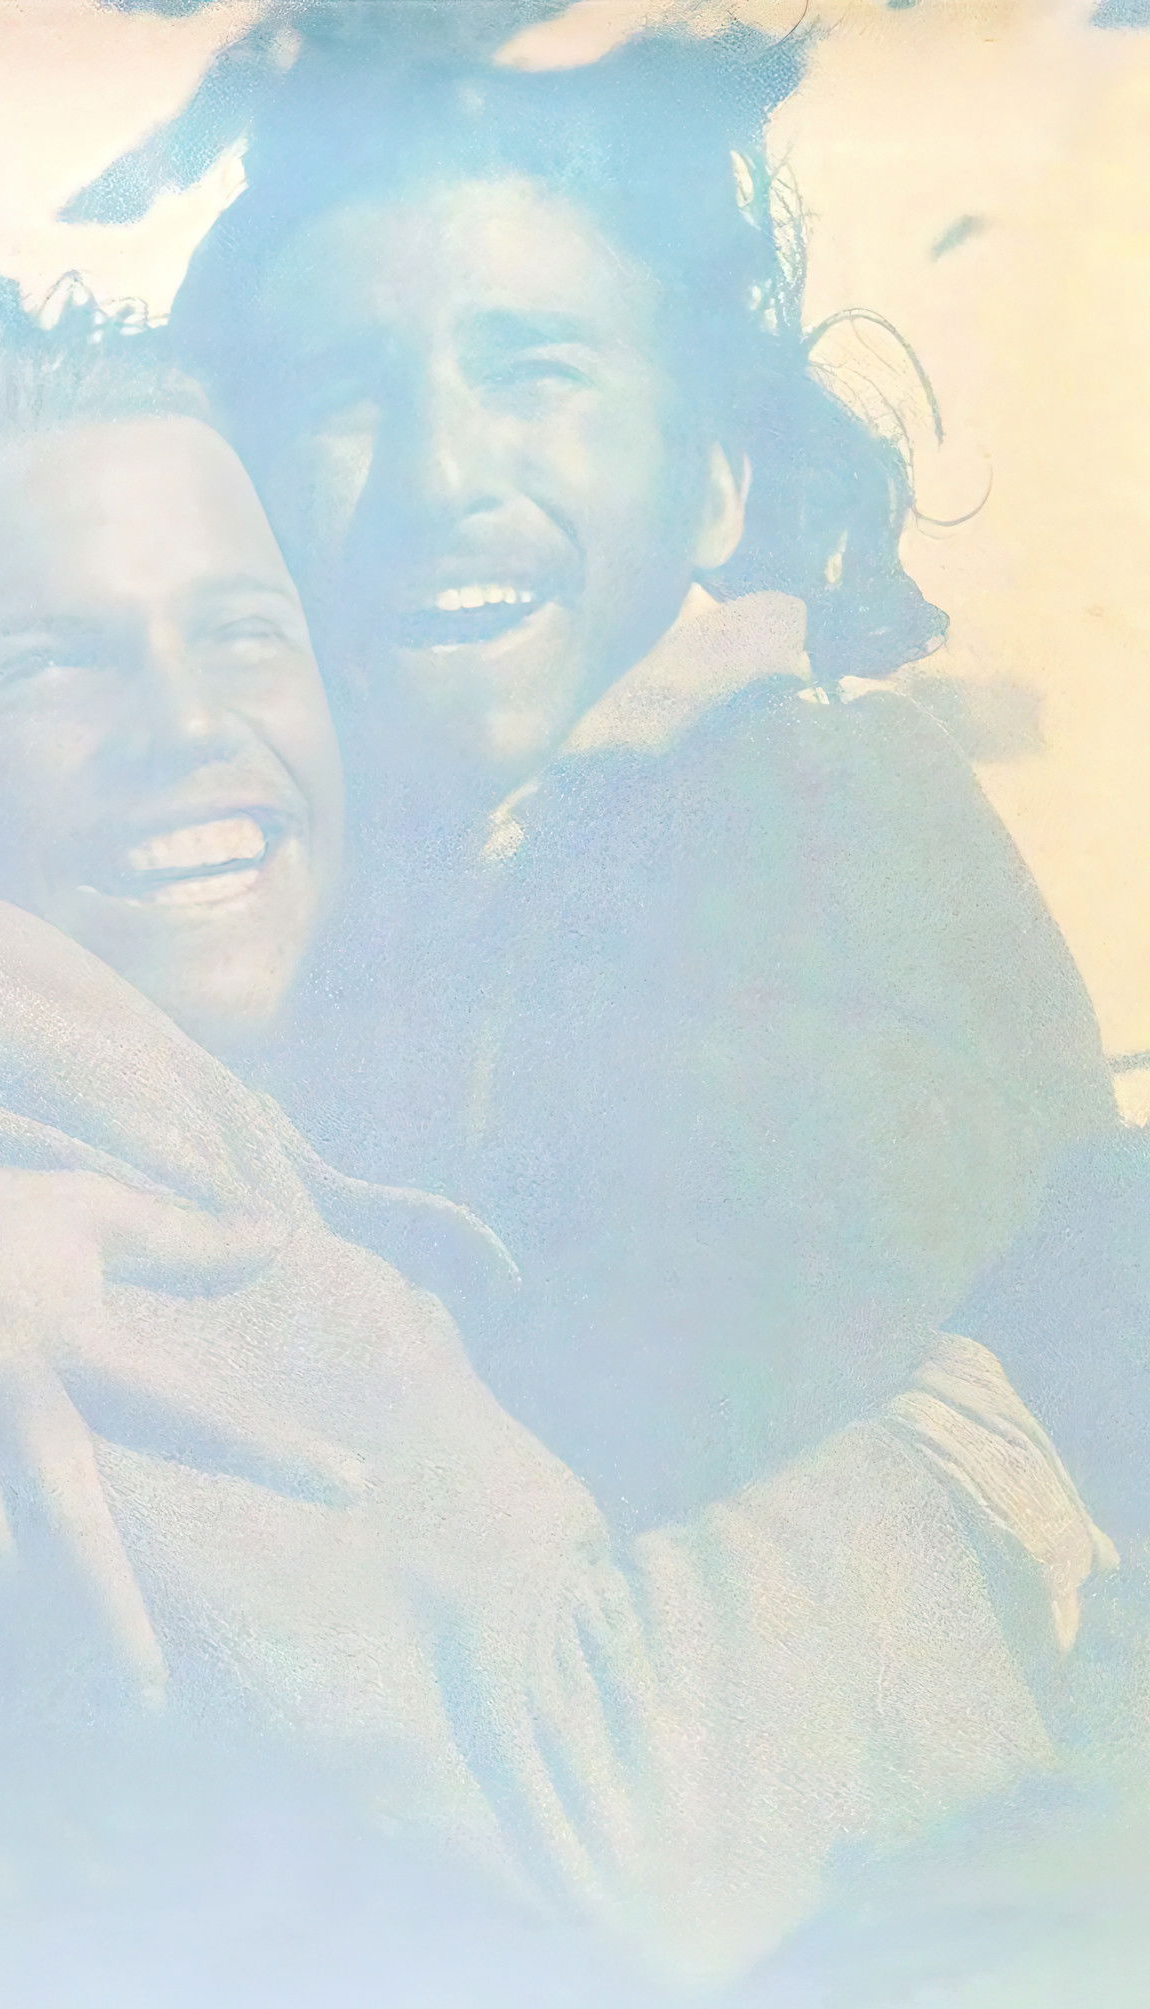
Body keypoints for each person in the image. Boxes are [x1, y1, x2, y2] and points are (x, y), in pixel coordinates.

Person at [0, 263, 1115, 1989]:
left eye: (240, 633)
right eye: (51, 663)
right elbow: (608, 1793)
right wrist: (1036, 1403)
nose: (185, 728)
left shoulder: (350, 951)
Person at [168, 29, 1126, 1537]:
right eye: (348, 393)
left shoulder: (823, 845)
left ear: (718, 483)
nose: (439, 475)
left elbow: (603, 1535)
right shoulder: (380, 861)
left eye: (533, 371)